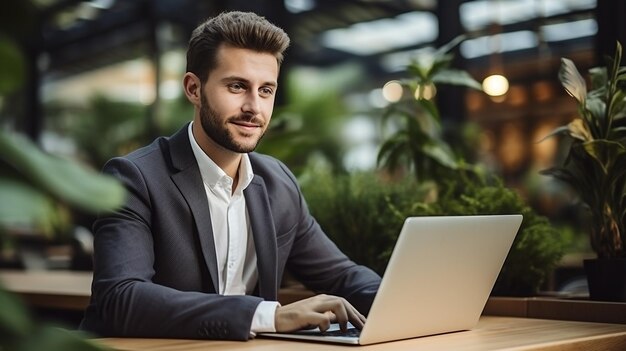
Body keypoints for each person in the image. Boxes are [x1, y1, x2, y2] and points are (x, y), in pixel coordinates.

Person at [79, 11, 381, 341]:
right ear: (194, 88)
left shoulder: (278, 183)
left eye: (266, 90)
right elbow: (120, 299)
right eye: (237, 86)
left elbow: (342, 276)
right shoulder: (134, 178)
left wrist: (407, 300)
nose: (254, 107)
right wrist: (268, 315)